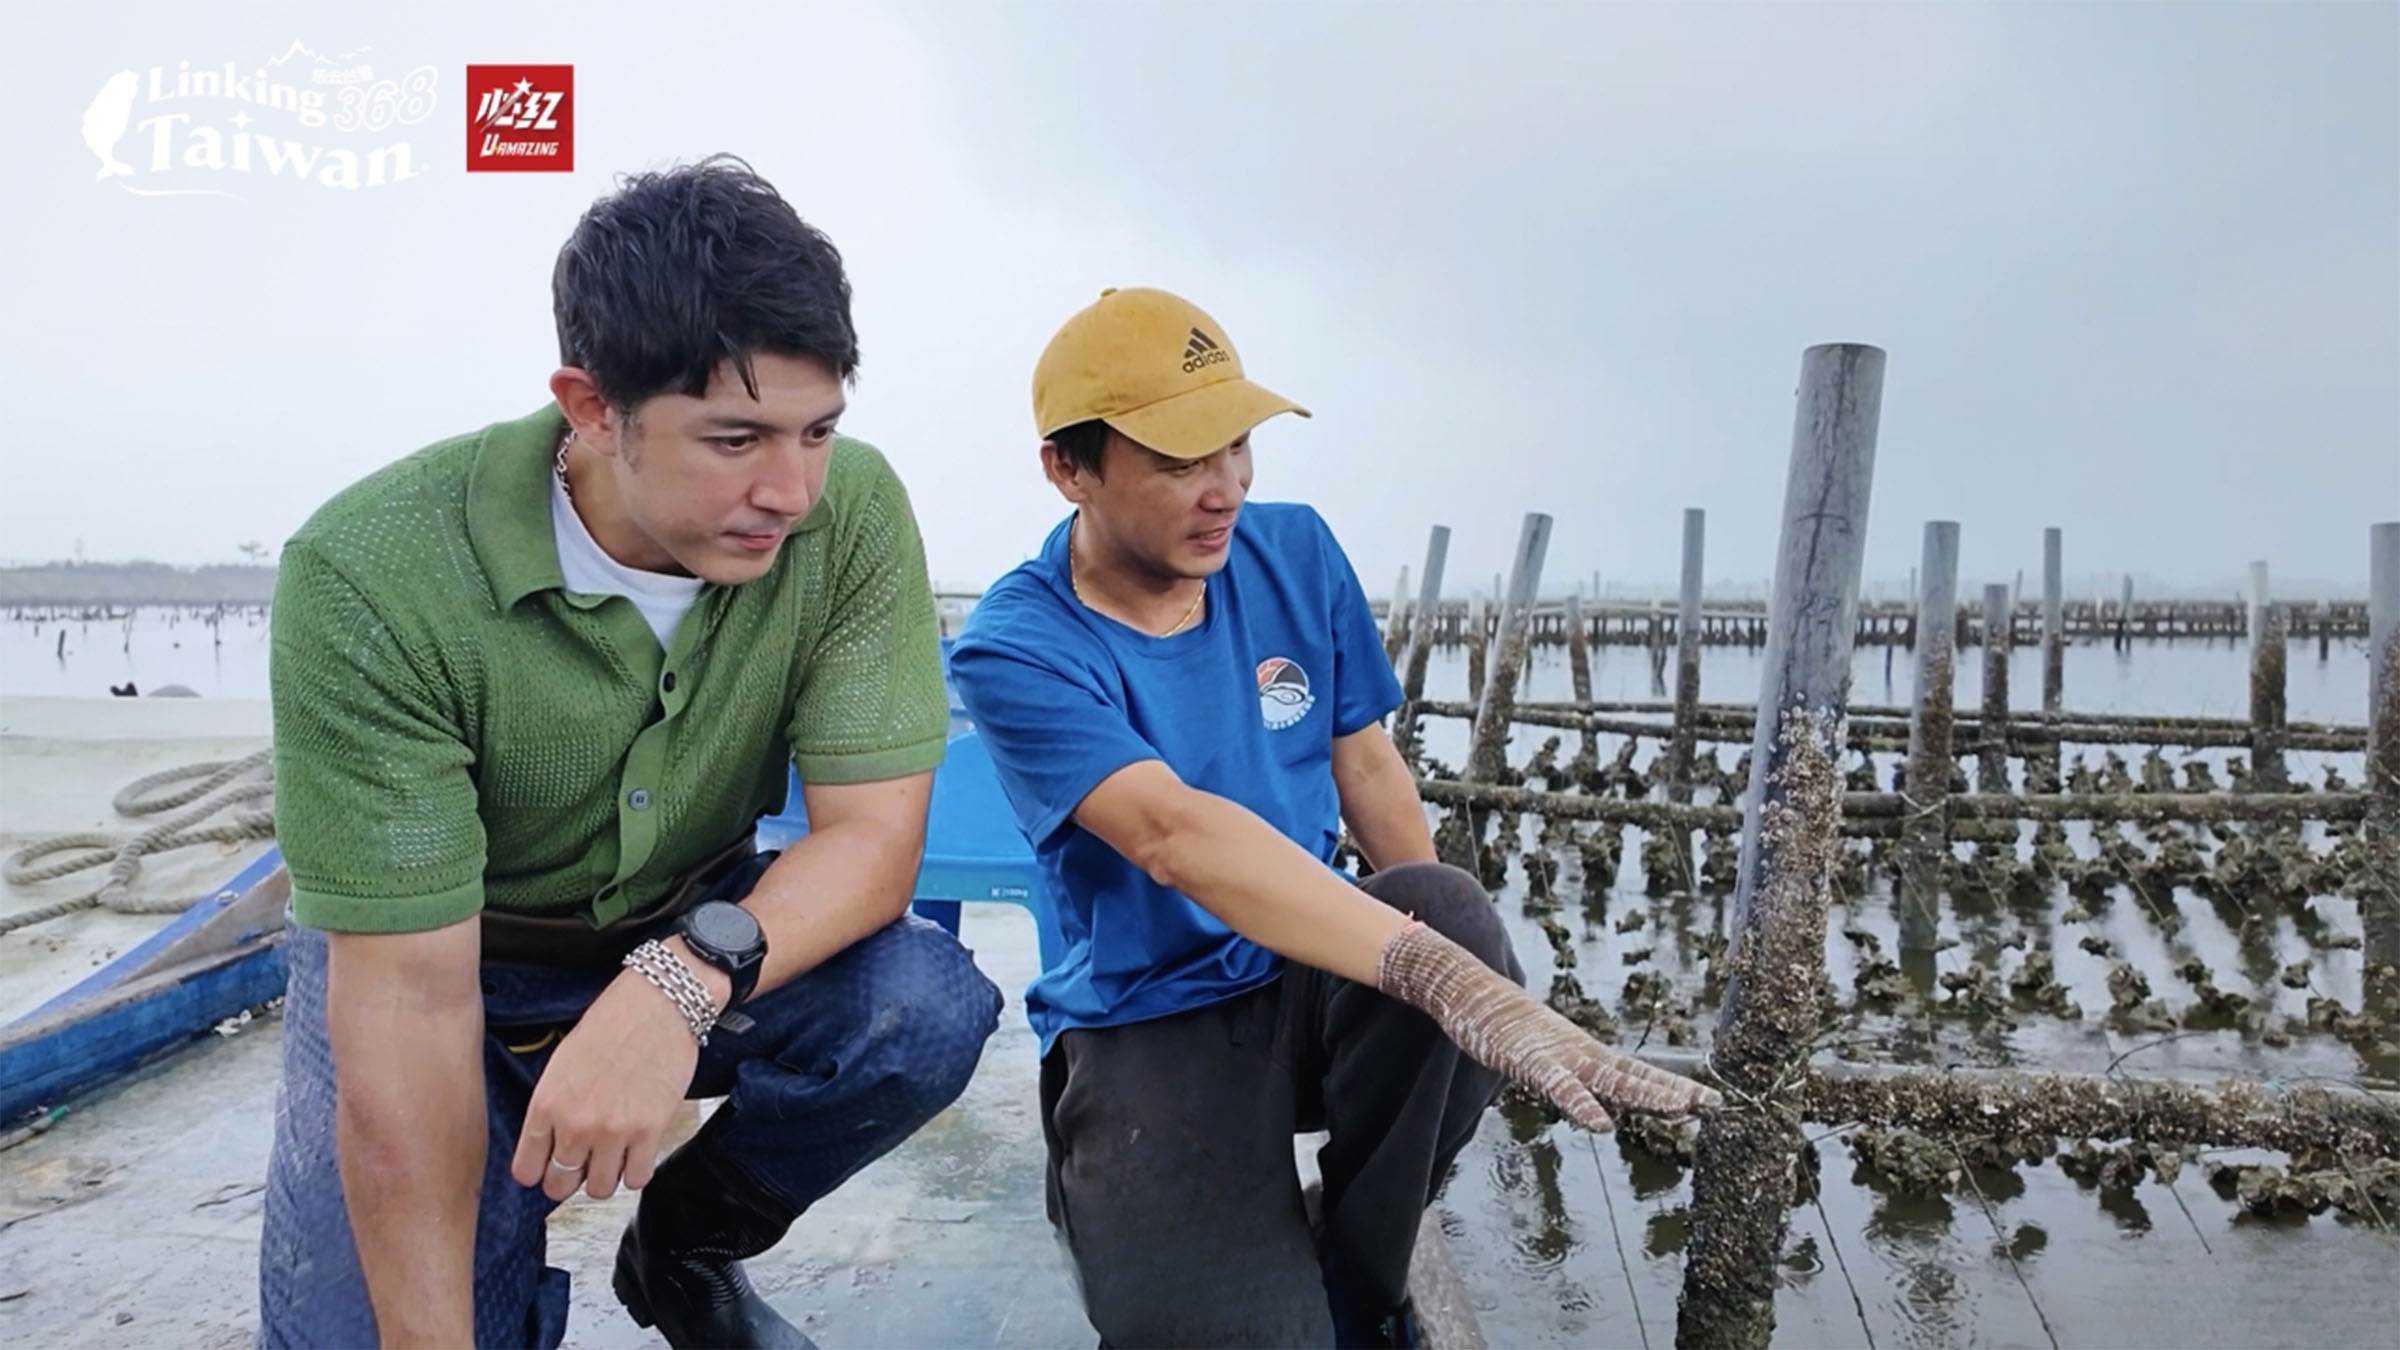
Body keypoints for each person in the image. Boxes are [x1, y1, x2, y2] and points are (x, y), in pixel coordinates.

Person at [255, 156, 1003, 1350]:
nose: (792, 490)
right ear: (592, 407)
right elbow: (406, 992)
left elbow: (871, 842)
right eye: (735, 437)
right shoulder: (371, 576)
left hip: (687, 921)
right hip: (440, 959)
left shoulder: (850, 513)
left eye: (818, 432)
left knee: (920, 1005)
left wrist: (672, 987)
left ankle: (685, 1246)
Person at [948, 287, 1718, 1348]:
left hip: (1306, 983)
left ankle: (1360, 1270)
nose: (1225, 490)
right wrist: (1437, 977)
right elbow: (1173, 835)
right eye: (1178, 461)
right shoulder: (1016, 644)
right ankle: (1160, 1222)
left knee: (1451, 914)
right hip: (1146, 1020)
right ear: (1069, 469)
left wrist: (1473, 998)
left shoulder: (1294, 552)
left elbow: (1366, 766)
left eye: (1237, 446)